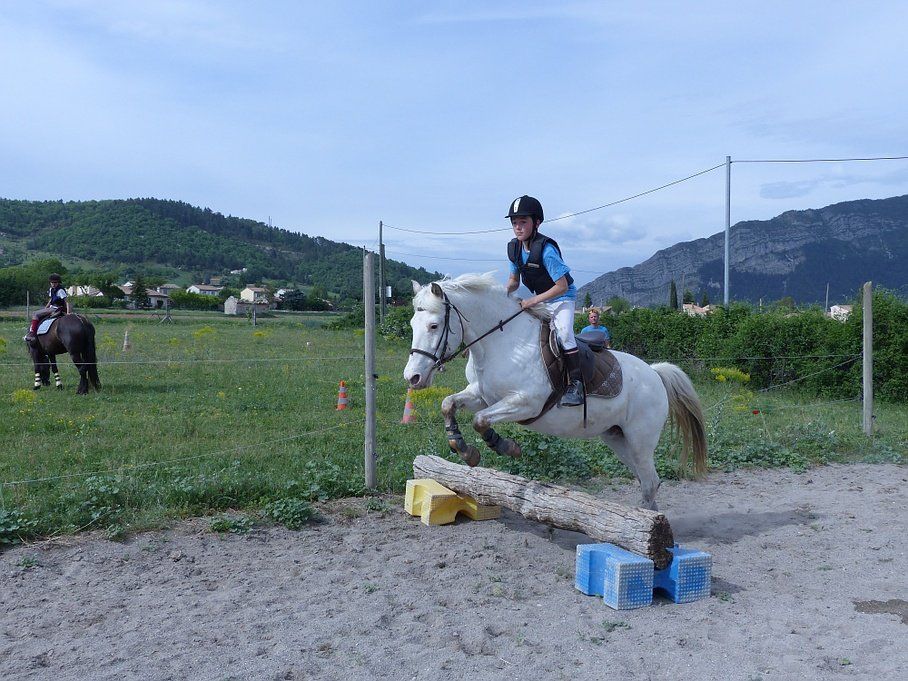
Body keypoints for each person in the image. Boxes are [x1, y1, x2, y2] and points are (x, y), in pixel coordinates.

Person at [505, 195, 584, 407]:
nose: (518, 227)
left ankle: (576, 385)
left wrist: (532, 302)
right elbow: (514, 281)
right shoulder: (514, 249)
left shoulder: (547, 250)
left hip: (562, 298)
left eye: (523, 222)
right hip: (541, 300)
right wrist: (500, 294)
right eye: (514, 223)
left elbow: (562, 286)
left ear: (537, 223)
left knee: (565, 334)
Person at [24, 273, 71, 342]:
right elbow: (51, 300)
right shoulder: (51, 289)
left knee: (35, 314)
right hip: (52, 307)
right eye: (52, 282)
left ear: (58, 282)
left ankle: (32, 334)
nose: (53, 284)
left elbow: (67, 301)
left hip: (56, 308)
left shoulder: (60, 290)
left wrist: (68, 312)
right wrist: (45, 308)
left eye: (55, 282)